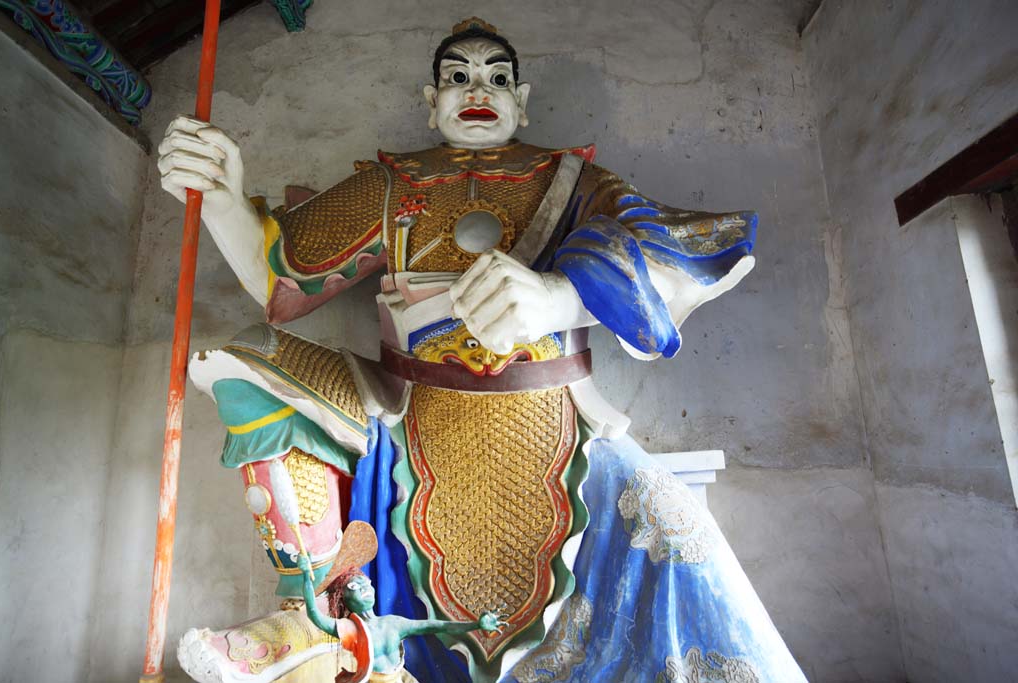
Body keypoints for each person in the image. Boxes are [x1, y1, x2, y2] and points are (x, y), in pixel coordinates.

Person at [165, 16, 808, 683]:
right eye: (458, 77)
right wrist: (219, 197)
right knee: (249, 357)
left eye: (497, 77)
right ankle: (314, 613)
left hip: (555, 417)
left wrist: (559, 295)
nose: (479, 88)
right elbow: (281, 275)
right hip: (408, 411)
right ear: (430, 100)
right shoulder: (391, 184)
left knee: (672, 538)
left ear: (521, 100)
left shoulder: (573, 181)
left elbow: (659, 244)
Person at [297, 553, 506, 683]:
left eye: (365, 582)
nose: (364, 588)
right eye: (354, 586)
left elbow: (436, 625)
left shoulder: (393, 623)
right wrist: (307, 577)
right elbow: (315, 615)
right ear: (344, 598)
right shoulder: (351, 629)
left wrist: (476, 624)